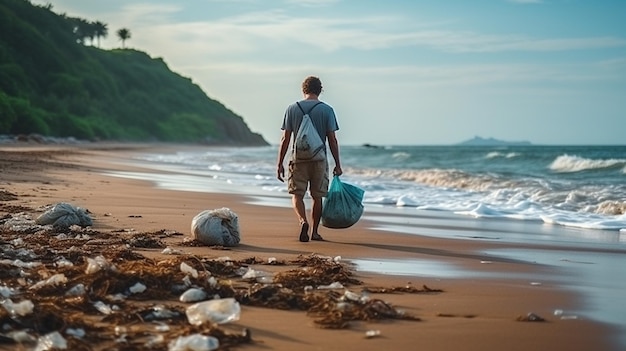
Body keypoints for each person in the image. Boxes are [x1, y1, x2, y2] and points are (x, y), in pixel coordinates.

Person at [277, 76, 342, 242]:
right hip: (319, 159)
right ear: (320, 90)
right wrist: (338, 164)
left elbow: (285, 139)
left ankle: (302, 221)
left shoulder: (292, 109)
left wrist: (280, 163)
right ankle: (314, 232)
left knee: (297, 194)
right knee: (317, 196)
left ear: (303, 90)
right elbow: (332, 139)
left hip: (298, 158)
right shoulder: (327, 110)